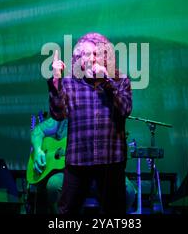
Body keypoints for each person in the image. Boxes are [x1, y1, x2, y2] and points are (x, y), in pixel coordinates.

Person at [48, 32, 133, 214]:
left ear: (106, 57)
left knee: (114, 213)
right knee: (66, 213)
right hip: (79, 159)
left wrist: (107, 83)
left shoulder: (120, 80)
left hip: (110, 159)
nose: (92, 59)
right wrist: (55, 82)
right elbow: (58, 114)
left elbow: (125, 110)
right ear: (79, 58)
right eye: (87, 54)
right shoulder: (71, 83)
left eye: (97, 54)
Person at [30, 116, 137, 214]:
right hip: (68, 173)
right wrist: (38, 151)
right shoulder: (65, 113)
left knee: (128, 191)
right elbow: (38, 130)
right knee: (53, 184)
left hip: (102, 172)